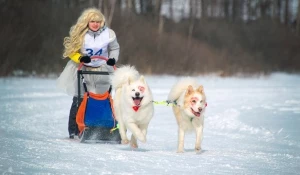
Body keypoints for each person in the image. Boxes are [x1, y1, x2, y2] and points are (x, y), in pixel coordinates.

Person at [56, 7, 120, 139]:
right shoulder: (80, 34)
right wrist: (80, 58)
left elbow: (114, 48)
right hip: (82, 68)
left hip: (102, 68)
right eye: (92, 21)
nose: (95, 24)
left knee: (103, 98)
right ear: (87, 22)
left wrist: (113, 59)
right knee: (79, 98)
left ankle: (101, 127)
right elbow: (71, 51)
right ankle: (74, 130)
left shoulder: (108, 33)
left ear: (101, 22)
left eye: (98, 21)